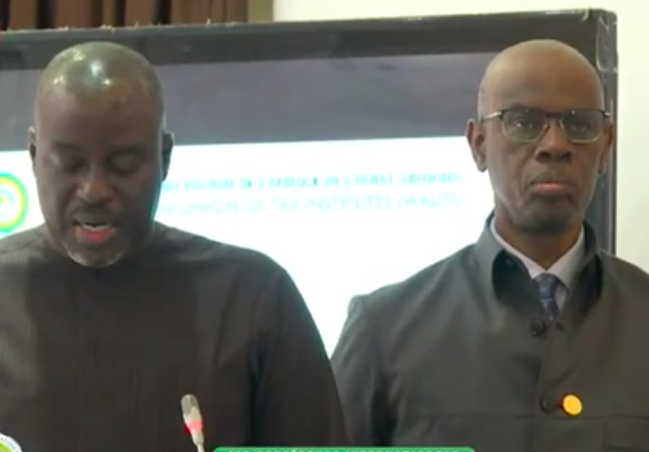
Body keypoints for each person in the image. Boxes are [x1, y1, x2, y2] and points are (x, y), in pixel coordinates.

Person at [0, 41, 347, 452]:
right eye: (70, 164)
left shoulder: (254, 300)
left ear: (164, 157)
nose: (94, 190)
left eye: (123, 165)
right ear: (34, 155)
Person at [332, 39, 649, 452]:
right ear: (478, 144)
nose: (555, 145)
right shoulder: (383, 330)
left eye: (580, 123)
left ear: (605, 146)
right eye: (523, 121)